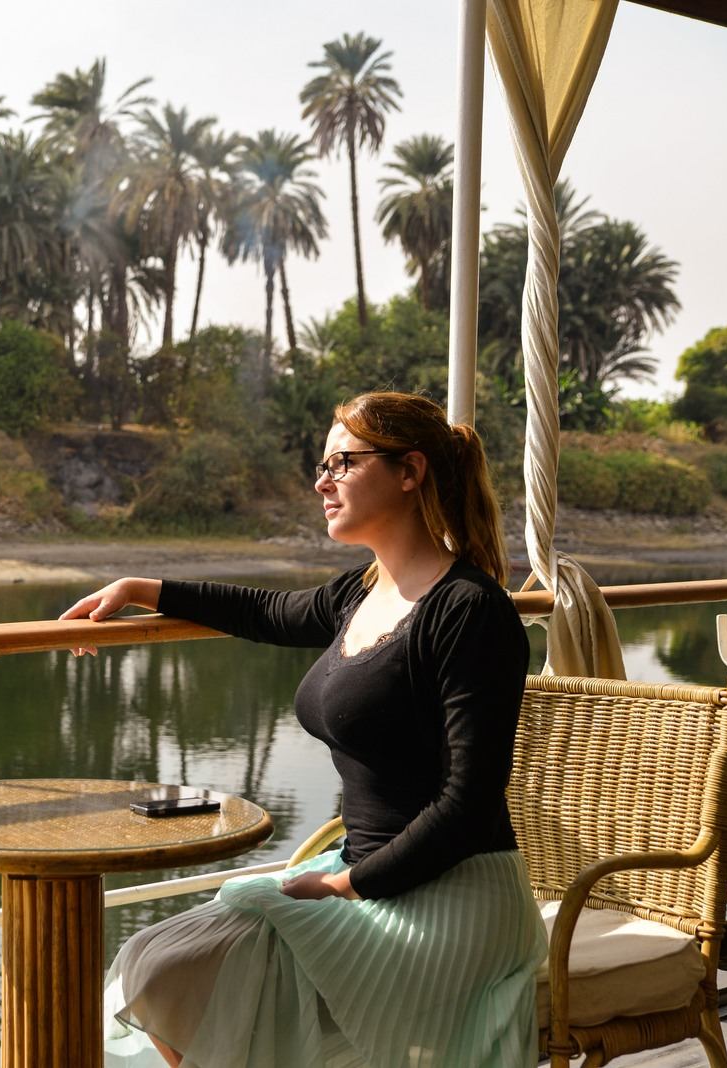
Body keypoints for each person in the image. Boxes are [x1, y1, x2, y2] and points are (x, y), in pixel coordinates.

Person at [60, 391, 546, 1068]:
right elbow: (266, 611)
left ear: (410, 471)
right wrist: (140, 589)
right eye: (322, 465)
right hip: (363, 873)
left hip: (451, 899)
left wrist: (348, 886)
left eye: (342, 463)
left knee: (180, 978)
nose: (321, 482)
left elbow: (469, 805)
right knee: (156, 962)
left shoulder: (468, 611)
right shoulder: (362, 592)